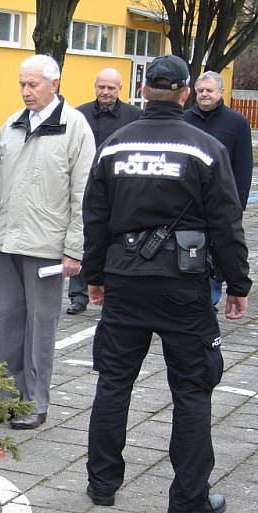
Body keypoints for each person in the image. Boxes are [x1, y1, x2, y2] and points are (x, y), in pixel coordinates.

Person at [83, 55, 250, 513]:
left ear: (144, 92)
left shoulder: (114, 146)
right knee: (193, 390)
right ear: (183, 94)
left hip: (125, 280)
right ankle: (189, 498)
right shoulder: (203, 148)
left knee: (114, 383)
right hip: (184, 284)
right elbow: (227, 223)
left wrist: (93, 277)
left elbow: (94, 218)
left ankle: (102, 485)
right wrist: (239, 283)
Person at [0, 54, 95, 429]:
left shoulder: (75, 128)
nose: (26, 91)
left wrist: (74, 249)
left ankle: (34, 402)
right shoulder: (10, 125)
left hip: (47, 248)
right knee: (7, 324)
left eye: (33, 84)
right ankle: (4, 397)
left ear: (54, 84)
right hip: (7, 243)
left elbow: (84, 195)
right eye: (22, 83)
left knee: (40, 328)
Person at [66, 68, 142, 315]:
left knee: (114, 243)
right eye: (102, 87)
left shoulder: (134, 117)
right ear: (95, 86)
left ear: (121, 88)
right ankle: (78, 295)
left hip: (120, 192)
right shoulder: (79, 115)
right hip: (85, 188)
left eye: (111, 87)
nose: (106, 92)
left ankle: (112, 292)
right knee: (82, 241)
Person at [183, 70, 254, 306]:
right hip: (187, 206)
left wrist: (238, 206)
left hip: (221, 205)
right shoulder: (183, 121)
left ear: (221, 92)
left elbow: (243, 168)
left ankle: (209, 300)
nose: (204, 95)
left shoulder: (237, 123)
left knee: (218, 254)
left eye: (209, 90)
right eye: (200, 90)